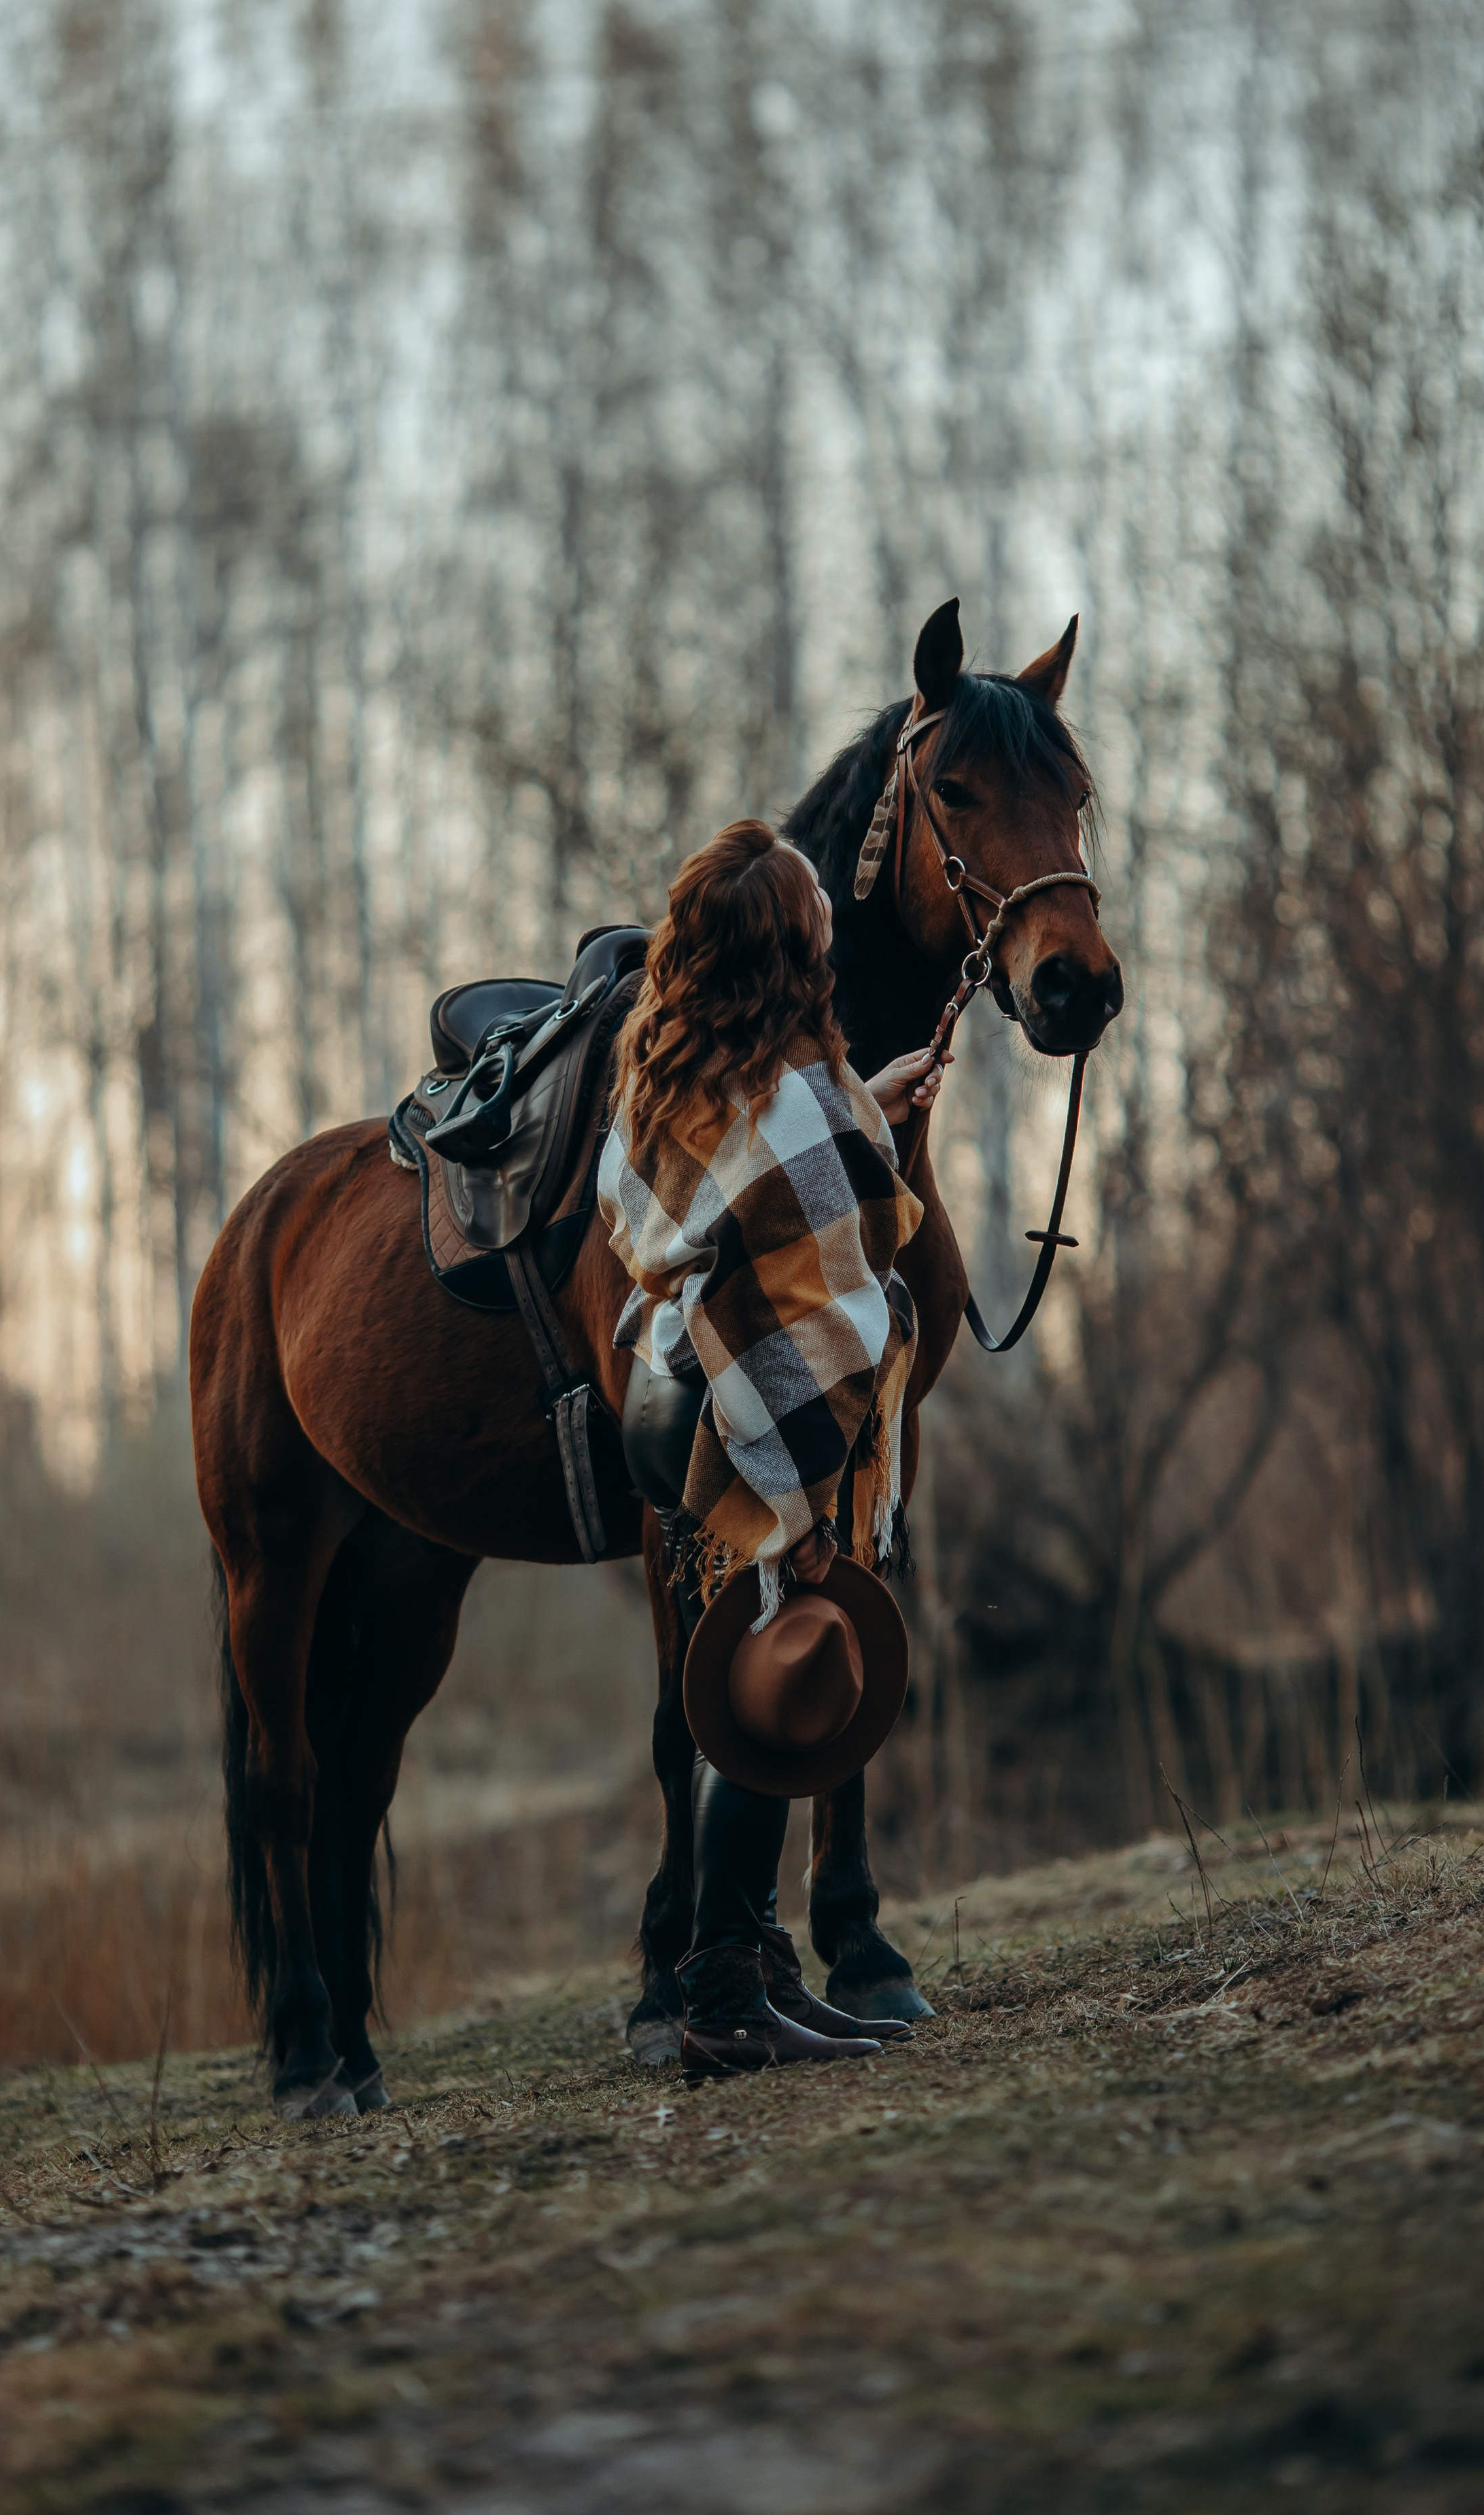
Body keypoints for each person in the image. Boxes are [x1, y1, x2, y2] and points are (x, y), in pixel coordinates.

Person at [598, 819, 943, 2072]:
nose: (832, 923)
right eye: (816, 906)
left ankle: (740, 1969)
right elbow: (858, 1251)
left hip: (683, 1407)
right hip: (774, 1431)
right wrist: (872, 1137)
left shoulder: (671, 1070)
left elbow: (734, 1183)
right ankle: (723, 1998)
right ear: (792, 948)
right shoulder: (799, 1099)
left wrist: (867, 1101)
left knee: (729, 1678)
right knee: (771, 1699)